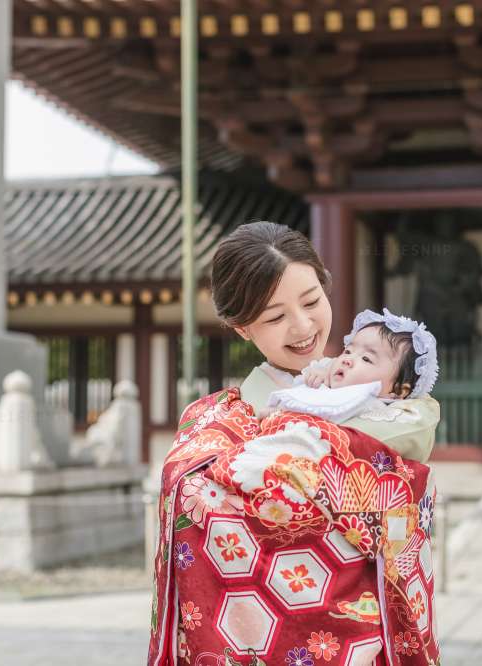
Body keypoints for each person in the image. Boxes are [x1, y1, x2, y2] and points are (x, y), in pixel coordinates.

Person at [149, 222, 441, 665]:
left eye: (311, 301)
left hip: (370, 641)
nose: (303, 326)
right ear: (241, 327)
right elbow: (194, 498)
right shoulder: (214, 418)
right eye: (275, 316)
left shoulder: (382, 395)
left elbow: (410, 495)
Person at [266, 308, 439, 435]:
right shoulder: (328, 379)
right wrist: (314, 378)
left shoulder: (373, 408)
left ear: (398, 390)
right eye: (348, 351)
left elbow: (320, 417)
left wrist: (279, 415)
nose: (347, 360)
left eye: (366, 359)